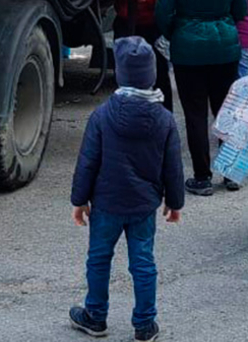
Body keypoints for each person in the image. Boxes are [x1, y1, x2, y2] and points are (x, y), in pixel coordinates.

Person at [69, 37, 184, 342]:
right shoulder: (164, 119)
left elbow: (88, 161)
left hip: (106, 203)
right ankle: (145, 324)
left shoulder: (102, 115)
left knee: (98, 258)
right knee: (143, 262)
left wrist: (79, 200)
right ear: (152, 75)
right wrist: (175, 202)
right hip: (144, 205)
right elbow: (172, 166)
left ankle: (95, 316)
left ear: (120, 74)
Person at [154, 0, 248, 197]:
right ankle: (231, 172)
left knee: (195, 113)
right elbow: (241, 11)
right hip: (224, 45)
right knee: (225, 110)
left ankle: (202, 176)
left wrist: (176, 33)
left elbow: (163, 14)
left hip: (188, 47)